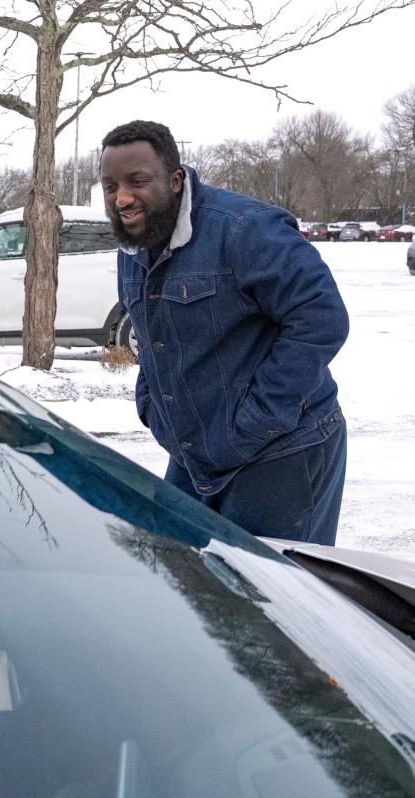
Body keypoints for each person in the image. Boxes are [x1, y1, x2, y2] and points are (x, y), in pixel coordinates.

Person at [99, 120, 349, 544]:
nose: (122, 198)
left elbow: (321, 317)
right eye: (110, 185)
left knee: (268, 600)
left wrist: (257, 419)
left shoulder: (245, 230)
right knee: (187, 587)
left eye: (137, 181)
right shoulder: (135, 244)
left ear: (176, 180)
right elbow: (152, 331)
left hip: (281, 450)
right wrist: (152, 405)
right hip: (196, 453)